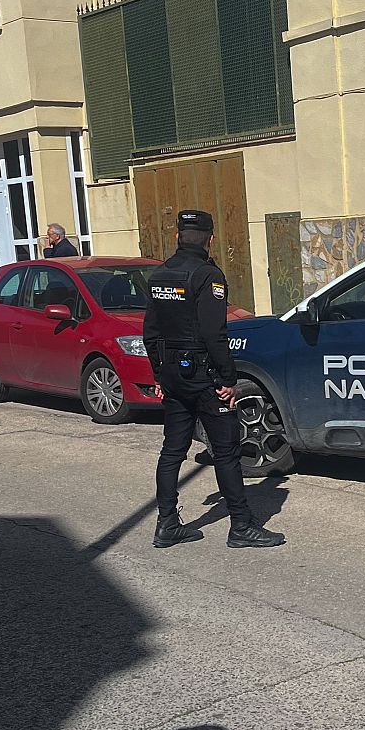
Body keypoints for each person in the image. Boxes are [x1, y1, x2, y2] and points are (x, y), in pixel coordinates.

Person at [143, 209, 284, 549]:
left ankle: (167, 523)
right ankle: (241, 526)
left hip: (173, 375)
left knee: (172, 450)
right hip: (204, 374)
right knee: (226, 452)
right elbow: (214, 333)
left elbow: (149, 332)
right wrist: (228, 378)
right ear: (210, 239)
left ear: (178, 236)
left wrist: (159, 374)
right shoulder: (208, 276)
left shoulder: (160, 274)